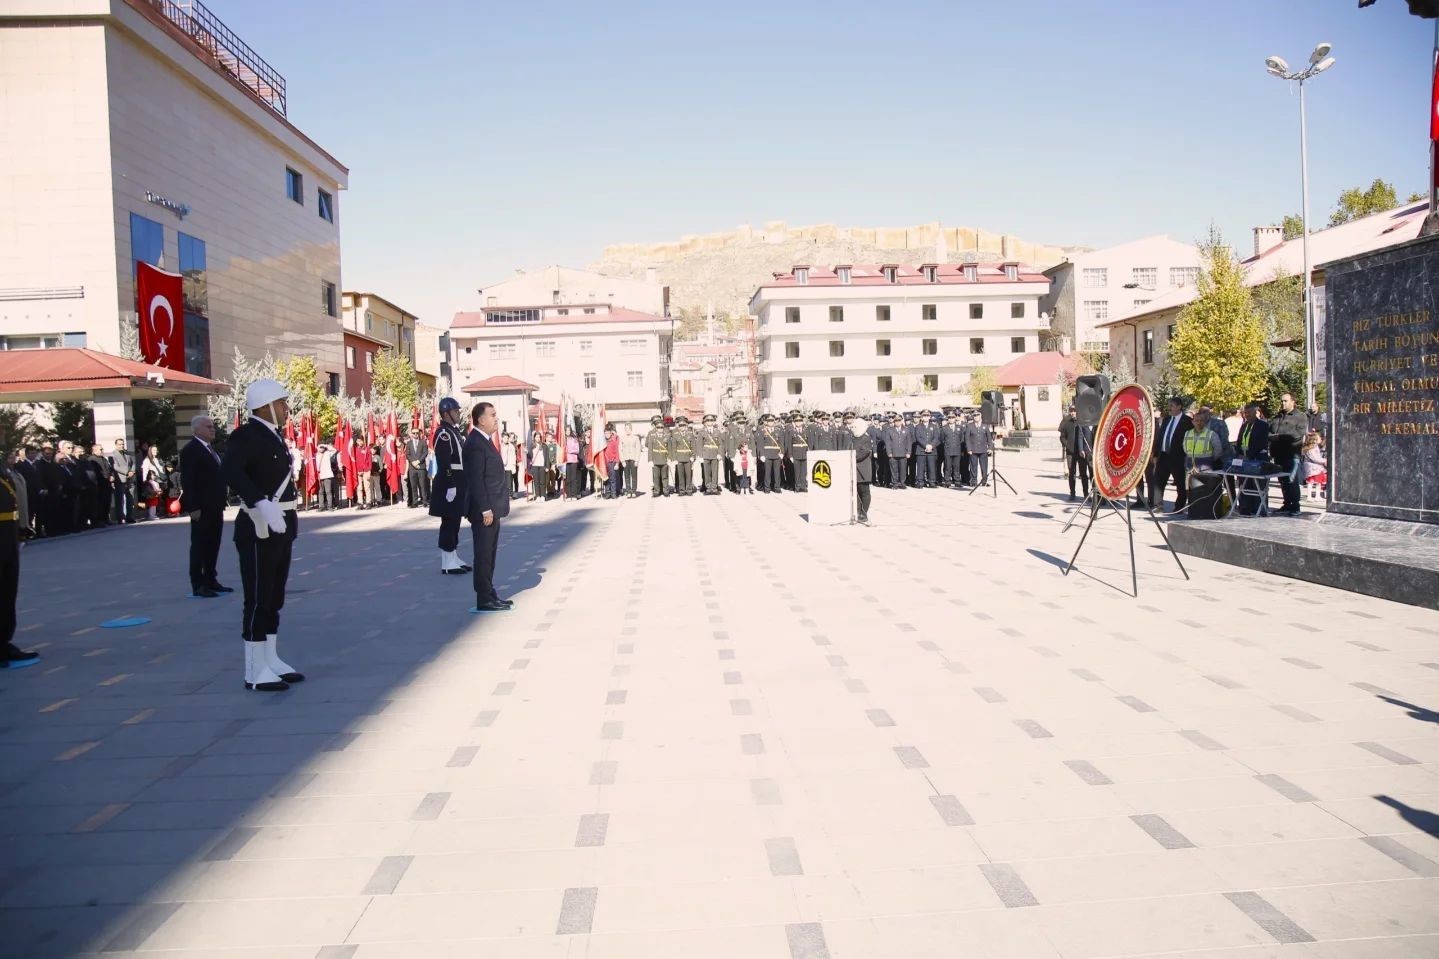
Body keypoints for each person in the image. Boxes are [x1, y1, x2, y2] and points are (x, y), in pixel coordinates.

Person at [220, 378, 304, 692]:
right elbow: (230, 470)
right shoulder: (247, 434)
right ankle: (254, 670)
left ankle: (270, 659)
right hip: (258, 526)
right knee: (257, 597)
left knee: (274, 596)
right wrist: (258, 500)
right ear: (266, 406)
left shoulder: (272, 436)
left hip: (281, 524)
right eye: (281, 403)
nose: (286, 408)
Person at [465, 402, 512, 612]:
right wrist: (485, 508)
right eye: (492, 415)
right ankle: (484, 598)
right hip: (485, 511)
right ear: (480, 419)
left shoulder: (484, 440)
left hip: (493, 508)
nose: (496, 418)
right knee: (483, 554)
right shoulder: (475, 442)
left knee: (490, 553)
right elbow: (476, 480)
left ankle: (490, 592)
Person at [180, 414, 231, 598]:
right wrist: (192, 507)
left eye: (212, 426)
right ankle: (198, 584)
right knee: (200, 545)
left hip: (216, 505)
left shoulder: (211, 449)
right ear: (197, 429)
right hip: (201, 507)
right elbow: (188, 481)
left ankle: (211, 578)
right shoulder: (191, 450)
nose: (213, 429)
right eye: (208, 427)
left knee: (213, 544)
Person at [0, 428, 38, 670]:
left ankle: (3, 641)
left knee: (6, 590)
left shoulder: (3, 464)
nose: (3, 433)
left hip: (7, 532)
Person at [429, 397, 471, 575]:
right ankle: (447, 562)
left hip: (457, 480)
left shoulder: (453, 431)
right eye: (455, 411)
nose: (458, 414)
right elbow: (444, 461)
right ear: (446, 414)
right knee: (448, 522)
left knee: (454, 521)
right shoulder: (443, 433)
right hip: (449, 482)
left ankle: (453, 556)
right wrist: (451, 484)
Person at [1150, 398, 1193, 513]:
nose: (1170, 408)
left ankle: (1179, 507)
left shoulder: (1187, 421)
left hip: (1178, 456)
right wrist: (1155, 453)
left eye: (1172, 405)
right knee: (1159, 481)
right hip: (1163, 455)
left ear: (1179, 406)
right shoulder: (1166, 419)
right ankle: (1158, 505)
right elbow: (1160, 437)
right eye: (1169, 405)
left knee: (1180, 483)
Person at [1270, 392, 1307, 516]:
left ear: (1293, 402)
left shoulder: (1300, 416)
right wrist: (1272, 438)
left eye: (1285, 401)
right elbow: (1269, 432)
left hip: (1292, 453)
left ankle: (1295, 506)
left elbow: (1298, 435)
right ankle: (1286, 504)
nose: (1283, 403)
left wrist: (1279, 437)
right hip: (1278, 453)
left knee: (1291, 480)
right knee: (1282, 480)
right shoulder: (1278, 416)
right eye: (1282, 401)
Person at [1234, 403, 1272, 516]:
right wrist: (1238, 454)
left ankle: (1259, 509)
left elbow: (1261, 443)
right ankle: (1245, 508)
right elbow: (1240, 440)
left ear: (1255, 413)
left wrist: (1249, 455)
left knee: (1258, 486)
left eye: (1249, 413)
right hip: (1244, 458)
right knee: (1244, 485)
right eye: (1245, 413)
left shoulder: (1262, 425)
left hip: (1257, 459)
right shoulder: (1244, 425)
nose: (1247, 415)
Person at [1058, 405, 1094, 501]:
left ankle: (1086, 494)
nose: (1072, 412)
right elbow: (1062, 437)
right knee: (1071, 473)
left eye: (1074, 411)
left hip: (1081, 452)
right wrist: (1068, 446)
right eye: (1071, 411)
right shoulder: (1066, 421)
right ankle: (1072, 493)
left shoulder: (1082, 421)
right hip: (1070, 453)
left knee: (1083, 474)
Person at [108, 438, 136, 525]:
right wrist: (127, 472)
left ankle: (129, 516)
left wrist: (132, 471)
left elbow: (133, 463)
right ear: (116, 445)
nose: (122, 446)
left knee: (130, 499)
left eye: (123, 444)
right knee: (120, 500)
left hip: (129, 480)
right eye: (120, 444)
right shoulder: (113, 455)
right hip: (120, 479)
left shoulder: (127, 453)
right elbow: (115, 466)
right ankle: (120, 517)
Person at [852, 415, 874, 525]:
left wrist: (851, 458)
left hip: (863, 469)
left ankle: (864, 513)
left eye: (854, 427)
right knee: (855, 492)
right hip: (853, 469)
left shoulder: (866, 438)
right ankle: (858, 512)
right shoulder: (852, 437)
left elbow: (864, 453)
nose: (852, 428)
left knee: (864, 492)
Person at [669, 416, 696, 495]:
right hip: (679, 458)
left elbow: (693, 446)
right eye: (680, 425)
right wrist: (674, 459)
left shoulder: (690, 434)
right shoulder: (675, 435)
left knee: (688, 474)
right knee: (680, 475)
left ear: (686, 425)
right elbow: (673, 448)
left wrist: (693, 456)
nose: (682, 427)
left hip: (688, 457)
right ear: (678, 426)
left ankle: (689, 490)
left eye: (683, 425)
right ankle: (681, 490)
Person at [405, 428, 430, 508]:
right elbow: (407, 454)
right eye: (414, 433)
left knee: (423, 485)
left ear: (419, 433)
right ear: (411, 434)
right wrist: (413, 462)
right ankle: (415, 502)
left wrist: (418, 461)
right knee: (413, 485)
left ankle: (425, 501)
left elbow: (425, 453)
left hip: (421, 467)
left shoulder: (423, 442)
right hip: (412, 468)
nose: (415, 434)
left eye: (417, 433)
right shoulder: (409, 443)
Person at [140, 444, 166, 520]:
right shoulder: (147, 460)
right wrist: (144, 480)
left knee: (157, 498)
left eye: (156, 450)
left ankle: (155, 513)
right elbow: (144, 470)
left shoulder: (156, 459)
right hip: (152, 482)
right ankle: (151, 514)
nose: (156, 451)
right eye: (154, 450)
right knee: (152, 499)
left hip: (158, 481)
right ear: (150, 451)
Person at [964, 414, 991, 487]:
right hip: (973, 450)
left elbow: (989, 438)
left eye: (978, 416)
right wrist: (969, 449)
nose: (976, 417)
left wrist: (990, 448)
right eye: (975, 416)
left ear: (980, 417)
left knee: (984, 467)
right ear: (973, 417)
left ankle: (984, 481)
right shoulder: (970, 426)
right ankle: (973, 481)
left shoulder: (985, 426)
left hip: (983, 450)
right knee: (973, 467)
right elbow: (967, 438)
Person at [645, 415, 669, 497]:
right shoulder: (651, 433)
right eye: (656, 422)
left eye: (659, 420)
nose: (659, 426)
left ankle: (664, 490)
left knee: (664, 475)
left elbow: (669, 445)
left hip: (663, 457)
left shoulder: (666, 432)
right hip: (655, 456)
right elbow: (647, 445)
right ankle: (657, 490)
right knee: (656, 476)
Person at [698, 415, 723, 495]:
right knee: (707, 472)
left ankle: (714, 487)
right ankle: (708, 488)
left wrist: (719, 453)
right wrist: (700, 456)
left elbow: (720, 444)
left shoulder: (717, 432)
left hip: (715, 454)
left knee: (715, 472)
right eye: (708, 420)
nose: (710, 422)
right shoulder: (702, 432)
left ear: (714, 422)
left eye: (711, 420)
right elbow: (699, 445)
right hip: (706, 455)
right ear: (705, 422)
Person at [1302, 431, 1327, 498]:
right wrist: (1324, 461)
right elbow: (1315, 458)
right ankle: (1309, 496)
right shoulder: (1311, 449)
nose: (1321, 439)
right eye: (1319, 438)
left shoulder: (1315, 447)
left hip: (1317, 468)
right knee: (1311, 482)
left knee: (1318, 482)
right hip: (1312, 468)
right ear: (1314, 440)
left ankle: (1317, 496)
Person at [620, 423, 641, 498]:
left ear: (631, 429)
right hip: (625, 459)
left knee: (634, 476)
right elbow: (620, 450)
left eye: (628, 428)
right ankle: (628, 491)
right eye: (626, 429)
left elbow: (638, 449)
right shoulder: (622, 438)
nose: (627, 430)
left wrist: (637, 460)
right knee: (626, 476)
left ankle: (634, 491)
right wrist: (622, 461)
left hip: (633, 459)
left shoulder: (635, 438)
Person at [529, 432, 548, 501]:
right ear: (534, 438)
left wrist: (547, 467)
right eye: (536, 437)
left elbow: (546, 456)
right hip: (535, 466)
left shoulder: (544, 446)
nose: (538, 438)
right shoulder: (532, 446)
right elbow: (530, 457)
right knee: (536, 482)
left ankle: (543, 495)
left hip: (542, 465)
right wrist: (526, 452)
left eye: (539, 437)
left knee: (542, 481)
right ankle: (537, 496)